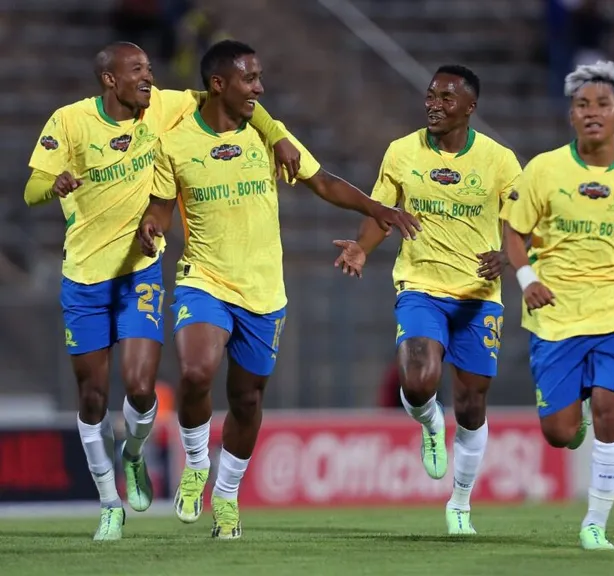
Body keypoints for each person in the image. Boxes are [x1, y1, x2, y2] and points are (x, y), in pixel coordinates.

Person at [136, 39, 419, 539]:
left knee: (246, 400)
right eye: (250, 79)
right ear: (219, 84)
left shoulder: (269, 136)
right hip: (205, 278)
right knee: (196, 371)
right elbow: (161, 203)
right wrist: (153, 225)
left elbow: (322, 181)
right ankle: (196, 462)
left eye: (260, 77)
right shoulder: (176, 142)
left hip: (264, 291)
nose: (260, 88)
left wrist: (373, 209)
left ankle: (226, 494)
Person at [23, 41, 297, 541]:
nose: (149, 78)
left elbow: (238, 98)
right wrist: (56, 184)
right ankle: (110, 504)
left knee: (143, 388)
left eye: (150, 68)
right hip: (84, 275)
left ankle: (133, 454)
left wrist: (276, 134)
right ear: (110, 80)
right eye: (138, 71)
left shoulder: (167, 104)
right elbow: (32, 188)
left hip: (139, 271)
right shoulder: (70, 121)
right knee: (91, 396)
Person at [501, 61, 614, 550]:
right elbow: (513, 232)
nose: (592, 113)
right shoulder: (543, 169)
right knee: (559, 433)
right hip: (556, 312)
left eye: (602, 105)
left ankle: (596, 522)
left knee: (611, 407)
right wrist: (526, 280)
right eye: (582, 105)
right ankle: (572, 416)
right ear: (570, 115)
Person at [333, 65, 521, 535]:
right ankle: (430, 421)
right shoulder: (401, 152)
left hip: (479, 296)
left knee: (473, 403)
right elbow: (382, 213)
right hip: (420, 286)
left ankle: (459, 503)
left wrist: (509, 256)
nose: (433, 104)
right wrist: (361, 247)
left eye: (446, 97)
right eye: (431, 95)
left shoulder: (499, 161)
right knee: (418, 381)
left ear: (470, 108)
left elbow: (523, 221)